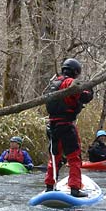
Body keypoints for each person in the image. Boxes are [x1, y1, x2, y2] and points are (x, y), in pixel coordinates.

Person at [43, 58, 94, 197]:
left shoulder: (53, 84)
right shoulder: (69, 83)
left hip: (52, 126)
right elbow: (84, 97)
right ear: (75, 72)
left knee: (55, 157)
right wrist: (90, 89)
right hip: (66, 126)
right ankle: (75, 189)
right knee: (74, 157)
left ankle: (49, 186)